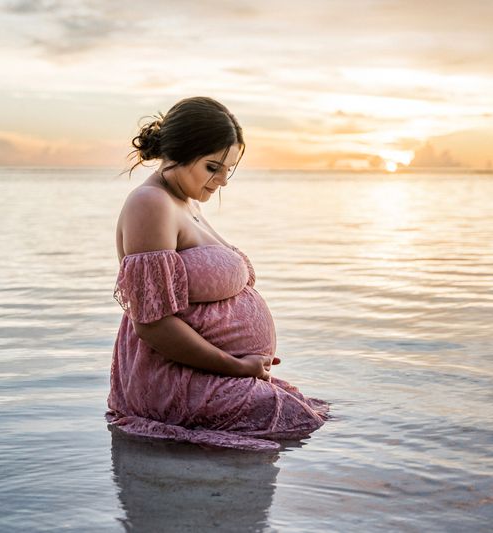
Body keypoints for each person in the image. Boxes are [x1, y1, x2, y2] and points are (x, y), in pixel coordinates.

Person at [106, 96, 329, 451]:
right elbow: (150, 323)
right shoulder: (150, 203)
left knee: (306, 414)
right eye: (213, 167)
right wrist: (236, 367)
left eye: (230, 169)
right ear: (179, 151)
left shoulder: (185, 202)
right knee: (288, 418)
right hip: (171, 378)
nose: (223, 181)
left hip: (209, 372)